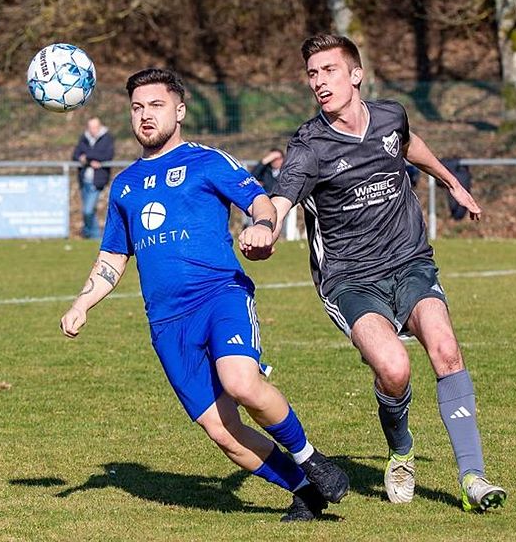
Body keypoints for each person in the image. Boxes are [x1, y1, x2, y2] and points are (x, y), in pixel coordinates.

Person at [59, 68, 349, 522]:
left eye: (155, 105)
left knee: (240, 382)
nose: (145, 116)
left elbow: (261, 202)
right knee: (222, 430)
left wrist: (261, 226)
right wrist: (82, 303)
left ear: (179, 110)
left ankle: (310, 456)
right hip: (167, 322)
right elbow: (113, 258)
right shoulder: (125, 185)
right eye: (137, 107)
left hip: (219, 296)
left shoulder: (208, 161)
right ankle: (303, 489)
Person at [240, 34, 507, 513]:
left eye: (329, 70)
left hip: (409, 260)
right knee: (394, 368)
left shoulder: (390, 115)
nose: (319, 81)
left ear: (356, 74)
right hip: (348, 278)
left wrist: (451, 182)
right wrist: (265, 226)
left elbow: (408, 145)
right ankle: (401, 450)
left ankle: (473, 476)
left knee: (446, 348)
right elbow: (282, 196)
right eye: (312, 74)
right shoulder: (309, 145)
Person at [71, 116, 115, 238]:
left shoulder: (107, 138)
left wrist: (87, 157)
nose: (93, 130)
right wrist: (90, 161)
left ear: (100, 127)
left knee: (88, 210)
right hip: (84, 180)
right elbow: (75, 155)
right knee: (88, 211)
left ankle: (94, 235)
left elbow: (107, 155)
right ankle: (90, 234)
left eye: (95, 127)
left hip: (97, 181)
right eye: (90, 127)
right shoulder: (84, 138)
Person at [250, 148, 300, 241]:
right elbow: (252, 177)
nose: (275, 161)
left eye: (277, 158)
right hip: (267, 202)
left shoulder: (288, 172)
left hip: (284, 201)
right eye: (272, 159)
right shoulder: (266, 171)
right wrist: (265, 161)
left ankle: (285, 237)